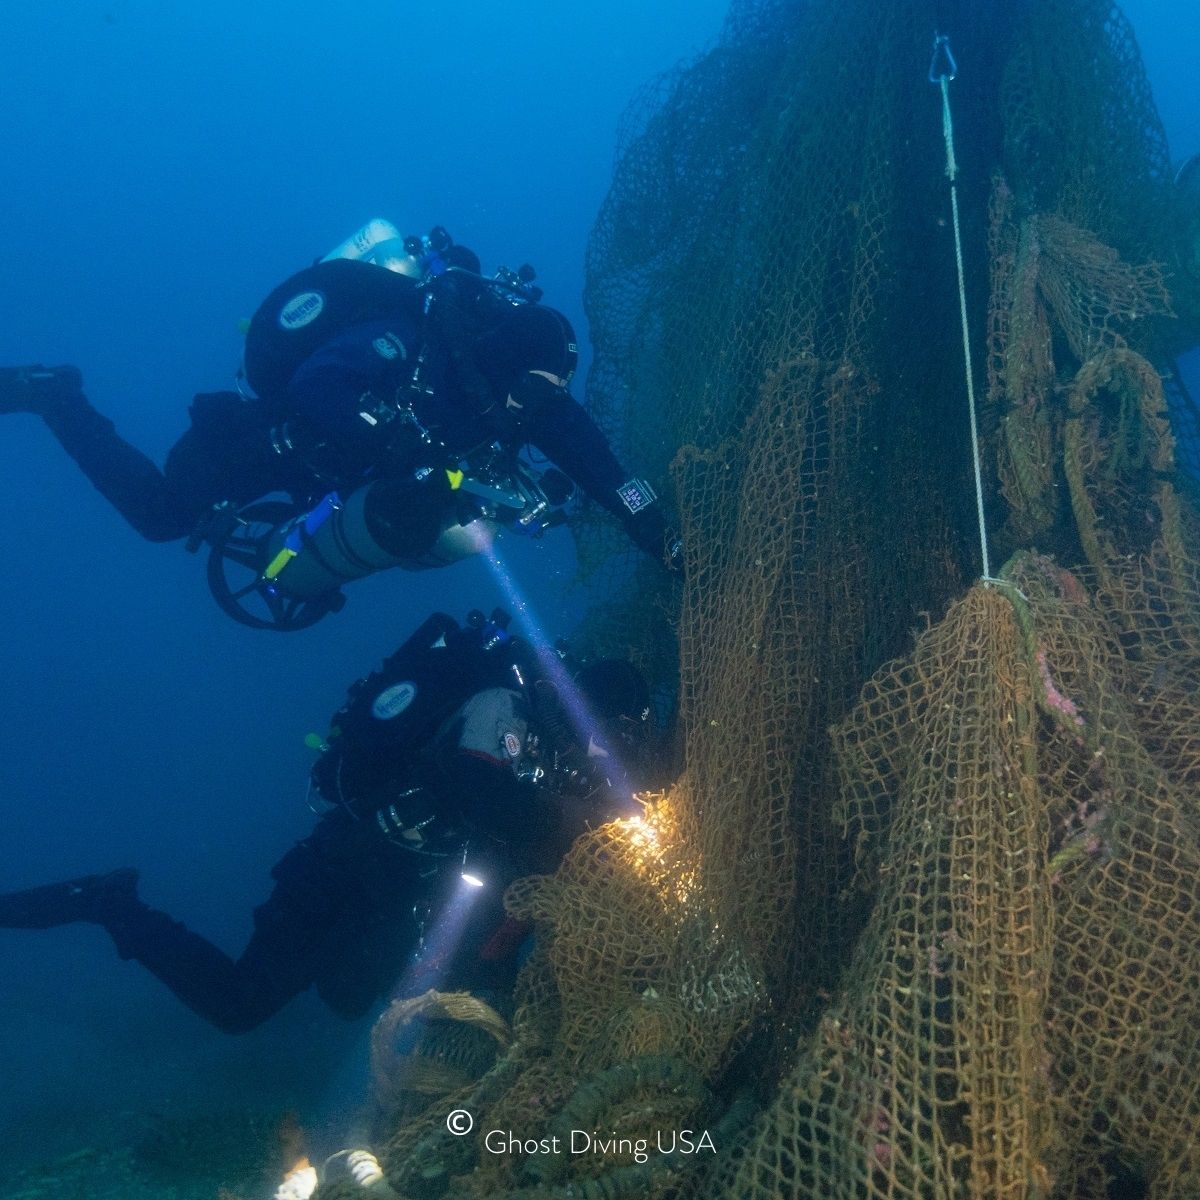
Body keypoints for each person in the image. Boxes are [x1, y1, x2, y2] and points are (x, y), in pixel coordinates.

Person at [0, 609, 653, 1033]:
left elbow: (505, 842)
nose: (599, 750)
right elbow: (478, 788)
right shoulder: (502, 705)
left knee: (352, 998)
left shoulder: (543, 747)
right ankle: (115, 906)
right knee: (241, 1004)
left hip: (400, 889)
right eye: (607, 730)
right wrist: (571, 824)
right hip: (344, 868)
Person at [0, 222, 680, 628]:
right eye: (536, 388)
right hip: (260, 444)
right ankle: (57, 397)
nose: (540, 408)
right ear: (507, 360)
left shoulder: (534, 404)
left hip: (327, 480)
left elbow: (604, 471)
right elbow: (317, 382)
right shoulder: (415, 340)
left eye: (551, 394)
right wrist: (397, 441)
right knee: (160, 516)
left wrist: (654, 531)